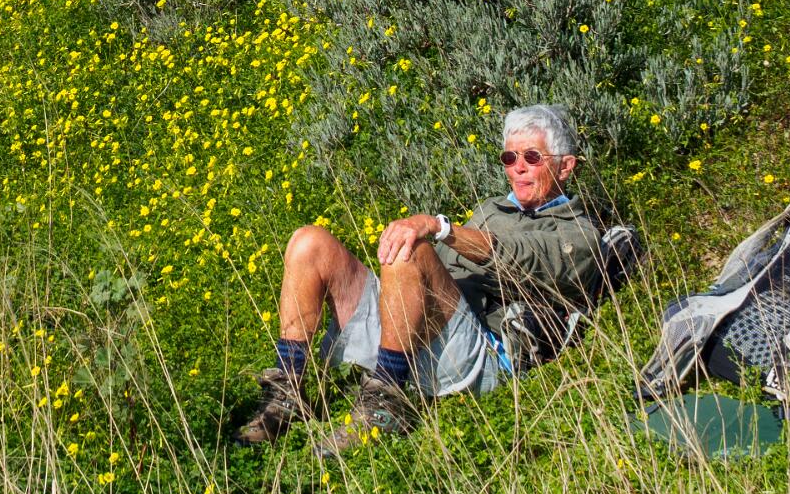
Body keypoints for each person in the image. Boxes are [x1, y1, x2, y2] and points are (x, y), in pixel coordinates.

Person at [236, 103, 604, 454]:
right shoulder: (492, 209)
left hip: (477, 350)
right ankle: (288, 393)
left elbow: (521, 259)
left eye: (532, 157)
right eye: (510, 157)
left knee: (411, 250)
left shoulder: (579, 231)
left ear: (565, 166)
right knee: (309, 243)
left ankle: (386, 403)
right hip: (416, 329)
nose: (518, 168)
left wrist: (440, 228)